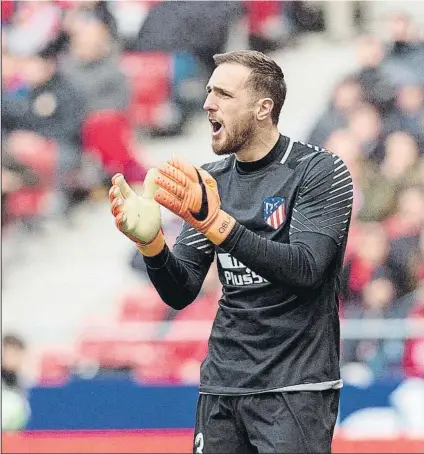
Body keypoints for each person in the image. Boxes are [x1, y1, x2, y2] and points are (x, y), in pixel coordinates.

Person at [109, 50, 353, 453]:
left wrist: (217, 224)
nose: (208, 103)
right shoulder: (212, 181)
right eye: (208, 92)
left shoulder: (319, 171)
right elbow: (181, 290)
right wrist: (152, 245)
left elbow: (307, 269)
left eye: (223, 94)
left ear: (263, 108)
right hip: (222, 385)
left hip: (295, 387)